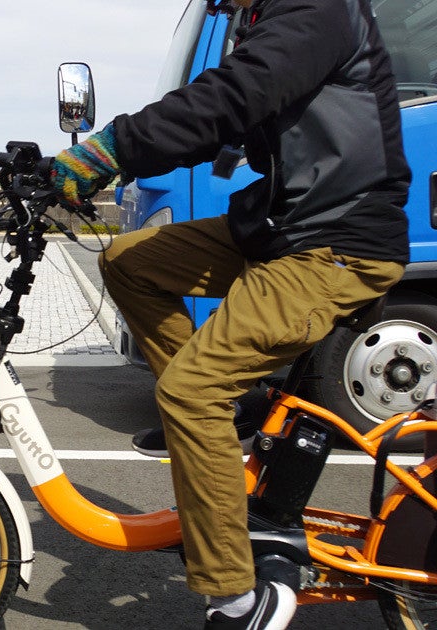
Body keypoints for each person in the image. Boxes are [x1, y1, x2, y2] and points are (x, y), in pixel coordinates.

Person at [49, 0, 410, 628]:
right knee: (130, 262)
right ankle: (238, 403)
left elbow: (232, 97)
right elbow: (219, 119)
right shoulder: (265, 17)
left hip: (338, 245)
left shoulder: (316, 6)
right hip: (286, 230)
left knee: (190, 394)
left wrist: (105, 152)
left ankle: (239, 598)